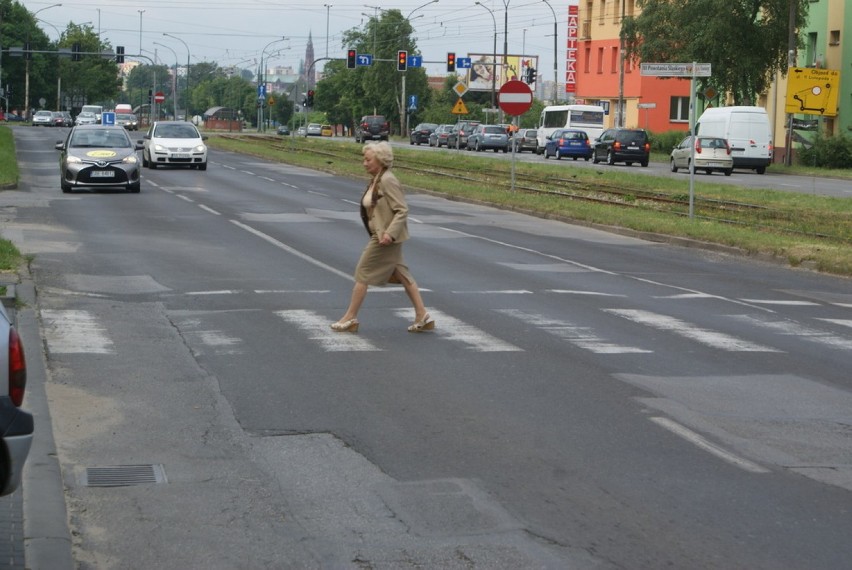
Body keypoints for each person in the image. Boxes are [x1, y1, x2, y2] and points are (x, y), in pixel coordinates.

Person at [331, 141, 434, 334]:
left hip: (385, 238)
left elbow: (402, 210)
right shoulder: (377, 179)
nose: (364, 163)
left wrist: (389, 233)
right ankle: (422, 315)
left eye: (368, 159)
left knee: (363, 271)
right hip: (381, 235)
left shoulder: (387, 180)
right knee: (402, 274)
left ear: (380, 160)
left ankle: (350, 317)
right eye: (364, 159)